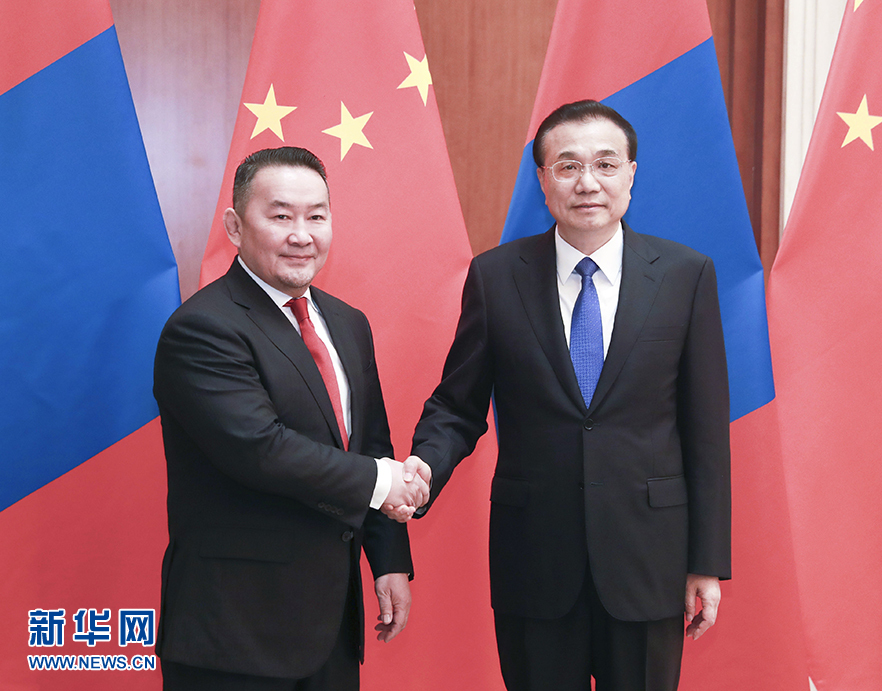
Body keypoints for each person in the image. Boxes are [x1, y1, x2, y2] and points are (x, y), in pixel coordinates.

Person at [407, 101, 731, 690]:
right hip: (535, 560)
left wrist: (705, 563)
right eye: (568, 166)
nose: (588, 183)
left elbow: (705, 431)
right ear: (543, 179)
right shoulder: (496, 276)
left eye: (606, 164)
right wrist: (424, 467)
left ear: (631, 174)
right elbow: (457, 405)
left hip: (648, 560)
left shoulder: (686, 275)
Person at [153, 146, 430, 690]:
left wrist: (388, 559)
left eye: (316, 216)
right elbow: (261, 448)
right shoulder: (203, 327)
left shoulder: (347, 323)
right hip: (235, 632)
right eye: (280, 216)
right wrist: (386, 481)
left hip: (331, 626)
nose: (302, 235)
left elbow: (369, 445)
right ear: (235, 226)